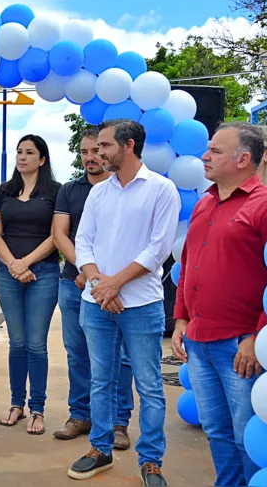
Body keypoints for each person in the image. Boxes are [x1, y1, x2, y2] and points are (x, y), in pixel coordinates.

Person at [69, 119, 180, 486]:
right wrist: (102, 284)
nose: (99, 153)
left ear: (128, 145)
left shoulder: (162, 190)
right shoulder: (99, 192)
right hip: (96, 302)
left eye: (104, 146)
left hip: (142, 304)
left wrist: (116, 284)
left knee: (148, 385)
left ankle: (151, 462)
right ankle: (99, 450)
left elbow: (159, 248)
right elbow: (82, 242)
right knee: (100, 380)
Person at [172, 123, 267, 487]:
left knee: (249, 436)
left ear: (243, 159)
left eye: (214, 150)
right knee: (217, 430)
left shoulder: (265, 205)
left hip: (241, 345)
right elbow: (188, 262)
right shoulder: (205, 202)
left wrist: (258, 337)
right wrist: (181, 317)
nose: (203, 156)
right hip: (200, 341)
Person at [51, 127, 135, 449]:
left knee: (121, 358)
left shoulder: (126, 190)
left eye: (96, 151)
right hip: (74, 284)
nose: (90, 158)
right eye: (84, 152)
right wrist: (88, 273)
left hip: (120, 288)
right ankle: (81, 414)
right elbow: (61, 234)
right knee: (78, 354)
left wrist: (99, 280)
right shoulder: (70, 190)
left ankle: (118, 423)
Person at [0, 134, 61, 436]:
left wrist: (27, 263)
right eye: (19, 152)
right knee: (17, 343)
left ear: (42, 159)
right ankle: (16, 404)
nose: (22, 157)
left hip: (43, 273)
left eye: (29, 152)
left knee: (36, 344)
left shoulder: (56, 192)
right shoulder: (4, 192)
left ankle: (37, 408)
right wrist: (13, 265)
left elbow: (57, 235)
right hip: (8, 272)